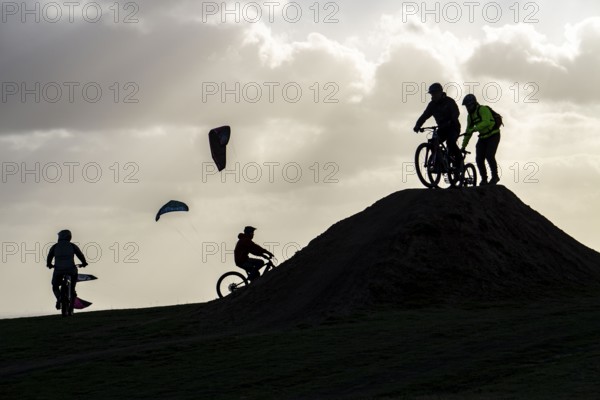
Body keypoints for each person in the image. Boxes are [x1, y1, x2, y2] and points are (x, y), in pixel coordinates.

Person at [413, 82, 462, 168]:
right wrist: (417, 125)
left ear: (440, 92)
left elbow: (456, 113)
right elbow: (425, 115)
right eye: (432, 94)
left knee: (450, 142)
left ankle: (459, 162)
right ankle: (438, 162)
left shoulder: (449, 101)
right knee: (433, 142)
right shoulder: (432, 105)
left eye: (435, 93)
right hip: (442, 128)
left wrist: (451, 121)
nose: (433, 95)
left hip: (453, 127)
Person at [460, 94, 501, 185]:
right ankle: (484, 179)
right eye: (466, 106)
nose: (468, 108)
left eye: (469, 105)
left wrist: (475, 129)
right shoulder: (470, 116)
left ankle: (495, 177)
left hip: (493, 135)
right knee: (479, 159)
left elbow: (486, 122)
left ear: (474, 104)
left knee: (489, 155)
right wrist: (463, 146)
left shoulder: (483, 109)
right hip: (483, 137)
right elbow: (468, 132)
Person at [46, 229, 88, 309]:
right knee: (73, 282)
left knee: (55, 286)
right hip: (71, 269)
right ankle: (72, 290)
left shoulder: (55, 246)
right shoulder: (72, 246)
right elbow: (80, 255)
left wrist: (49, 264)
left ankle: (59, 298)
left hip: (58, 270)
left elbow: (49, 256)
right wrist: (84, 263)